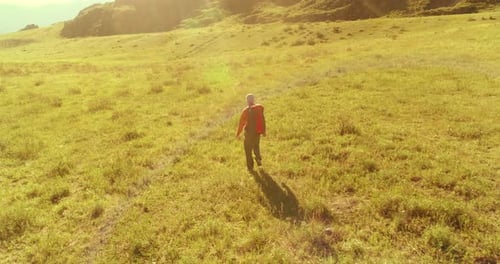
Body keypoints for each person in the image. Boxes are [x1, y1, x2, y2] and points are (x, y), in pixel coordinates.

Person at [236, 94, 266, 171]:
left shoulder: (246, 110)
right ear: (253, 100)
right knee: (256, 146)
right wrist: (263, 131)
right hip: (257, 132)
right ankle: (258, 158)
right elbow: (262, 120)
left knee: (248, 149)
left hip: (248, 133)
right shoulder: (259, 108)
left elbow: (241, 123)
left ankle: (250, 167)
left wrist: (238, 133)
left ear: (247, 101)